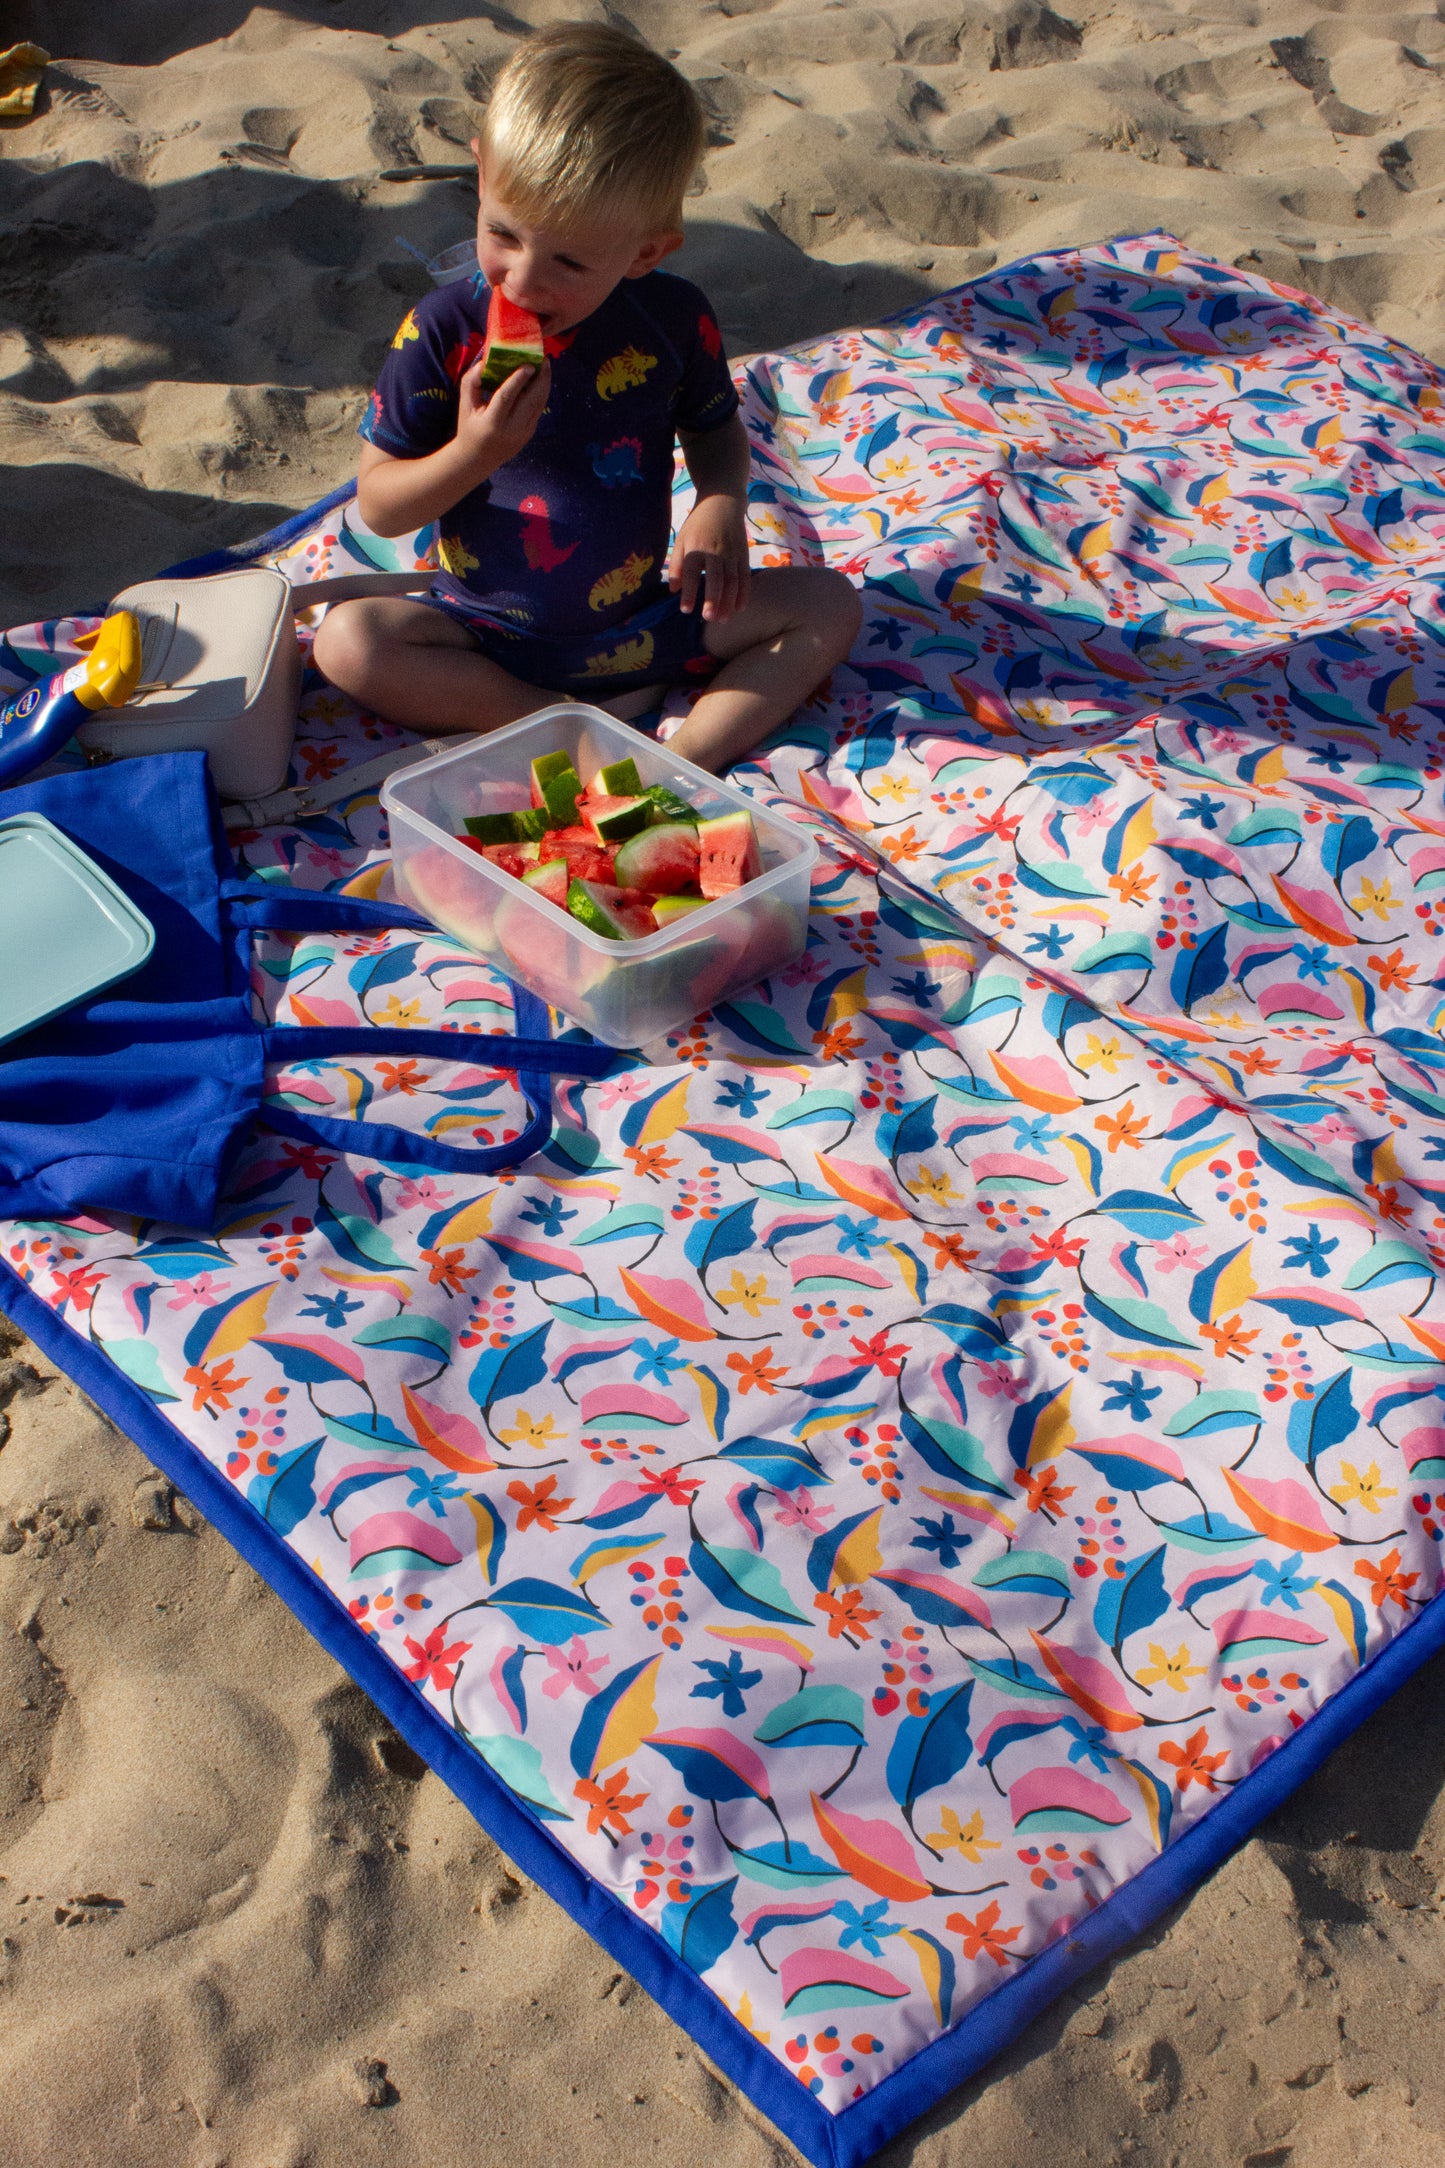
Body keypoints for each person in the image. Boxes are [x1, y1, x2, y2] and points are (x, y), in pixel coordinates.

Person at [313, 20, 861, 774]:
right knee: (349, 643)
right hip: (484, 637)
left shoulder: (671, 318)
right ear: (480, 175)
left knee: (829, 603)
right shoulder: (443, 329)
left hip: (641, 623)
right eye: (502, 233)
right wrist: (477, 451)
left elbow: (712, 430)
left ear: (645, 252)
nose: (523, 281)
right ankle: (560, 731)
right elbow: (379, 506)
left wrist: (720, 501)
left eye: (569, 260)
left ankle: (687, 760)